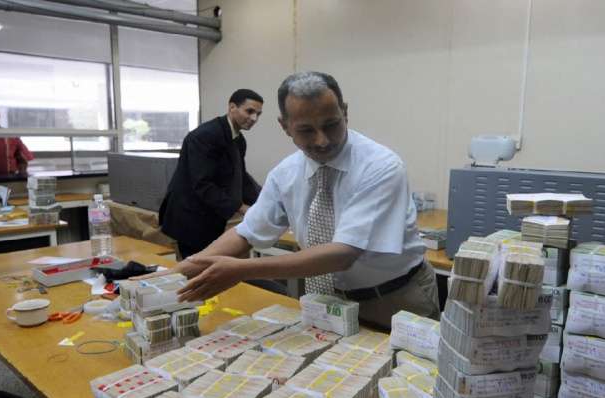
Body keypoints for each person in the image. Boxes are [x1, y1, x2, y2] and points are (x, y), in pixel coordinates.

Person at [141, 71, 439, 328]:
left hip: (394, 299)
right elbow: (247, 233)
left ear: (345, 112)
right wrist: (174, 275)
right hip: (328, 301)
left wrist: (240, 270)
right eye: (306, 130)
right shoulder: (286, 174)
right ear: (285, 126)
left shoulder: (381, 166)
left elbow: (343, 253)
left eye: (332, 124)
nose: (322, 140)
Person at [159, 89, 264, 258]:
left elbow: (240, 177)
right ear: (232, 107)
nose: (254, 118)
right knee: (197, 268)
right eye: (249, 111)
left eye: (258, 114)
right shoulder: (205, 136)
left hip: (211, 217)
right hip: (190, 218)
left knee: (211, 265)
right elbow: (202, 184)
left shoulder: (238, 139)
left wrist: (266, 199)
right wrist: (241, 207)